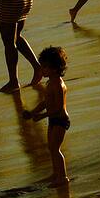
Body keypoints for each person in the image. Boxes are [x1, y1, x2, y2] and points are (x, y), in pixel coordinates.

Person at [22, 46, 70, 186]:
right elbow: (46, 102)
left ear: (54, 69)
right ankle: (56, 174)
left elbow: (58, 108)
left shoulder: (59, 85)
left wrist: (42, 116)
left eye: (44, 67)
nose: (42, 70)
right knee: (51, 148)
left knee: (56, 149)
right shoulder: (50, 83)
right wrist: (33, 112)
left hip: (60, 120)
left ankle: (63, 177)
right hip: (53, 119)